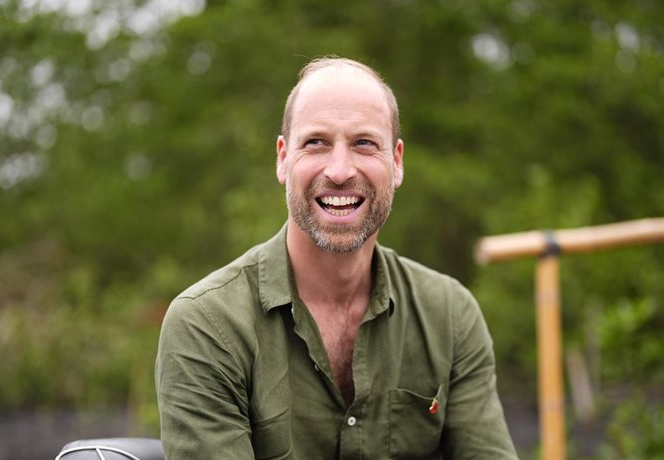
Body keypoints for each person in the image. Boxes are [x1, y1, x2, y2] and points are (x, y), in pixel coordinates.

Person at [156, 57, 517, 459]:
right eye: (316, 142)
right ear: (282, 158)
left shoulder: (450, 315)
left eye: (364, 143)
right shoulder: (207, 326)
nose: (341, 170)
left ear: (396, 162)